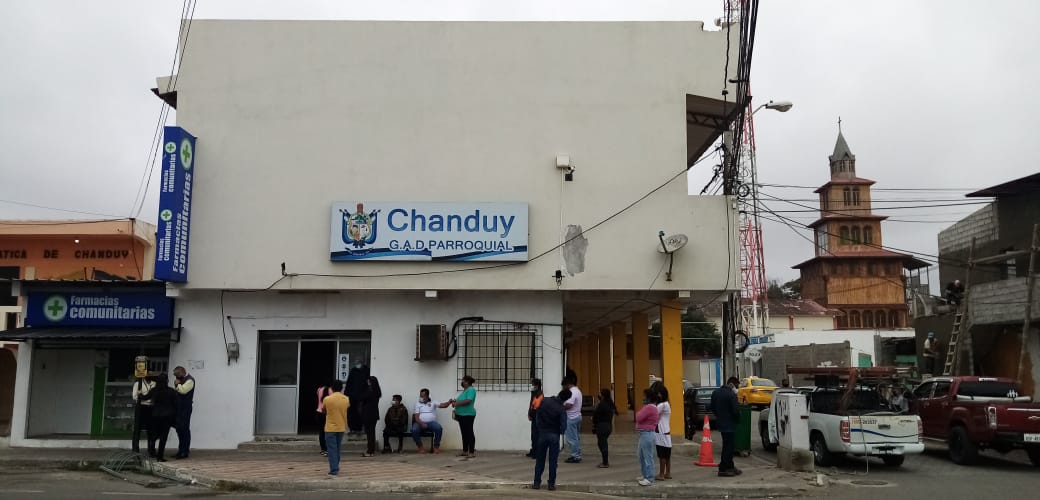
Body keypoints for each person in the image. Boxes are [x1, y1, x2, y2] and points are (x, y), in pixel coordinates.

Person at [532, 388, 570, 491]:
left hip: (543, 433)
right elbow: (564, 426)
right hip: (554, 434)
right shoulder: (561, 409)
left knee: (540, 459)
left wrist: (539, 427)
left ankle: (536, 482)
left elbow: (538, 414)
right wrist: (560, 431)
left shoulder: (545, 400)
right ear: (566, 399)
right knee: (553, 461)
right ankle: (551, 484)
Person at [710, 377, 741, 477]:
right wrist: (738, 419)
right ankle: (724, 468)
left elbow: (712, 407)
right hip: (730, 424)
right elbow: (735, 411)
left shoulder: (716, 393)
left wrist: (719, 416)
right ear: (732, 384)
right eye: (736, 386)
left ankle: (730, 466)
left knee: (726, 445)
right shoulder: (732, 395)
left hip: (721, 423)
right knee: (728, 447)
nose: (737, 388)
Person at [323, 379, 350, 477]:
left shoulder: (327, 399)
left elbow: (324, 410)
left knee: (331, 449)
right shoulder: (346, 399)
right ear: (342, 388)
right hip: (341, 427)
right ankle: (336, 466)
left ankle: (334, 469)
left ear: (332, 388)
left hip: (330, 427)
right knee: (337, 448)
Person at [148, 374, 178, 462]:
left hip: (156, 415)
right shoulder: (171, 391)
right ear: (166, 381)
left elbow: (145, 397)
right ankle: (160, 456)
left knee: (155, 433)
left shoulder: (154, 390)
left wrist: (140, 394)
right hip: (167, 416)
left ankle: (152, 447)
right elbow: (176, 403)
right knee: (163, 437)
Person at [412, 388, 452, 453]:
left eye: (422, 396)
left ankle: (436, 447)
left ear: (427, 396)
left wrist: (449, 402)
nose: (421, 398)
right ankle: (420, 447)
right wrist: (422, 423)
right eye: (420, 396)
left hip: (431, 423)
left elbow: (443, 405)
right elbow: (416, 417)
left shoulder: (433, 402)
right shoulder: (417, 404)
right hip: (420, 423)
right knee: (414, 430)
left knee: (439, 428)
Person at [635, 388, 660, 486]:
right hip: (645, 434)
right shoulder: (652, 407)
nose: (643, 398)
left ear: (649, 397)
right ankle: (645, 475)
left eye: (644, 396)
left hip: (647, 434)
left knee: (647, 457)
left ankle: (649, 478)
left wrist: (639, 413)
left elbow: (638, 417)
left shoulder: (649, 407)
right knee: (641, 456)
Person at [172, 366, 195, 459]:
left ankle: (184, 451)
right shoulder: (181, 380)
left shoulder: (190, 380)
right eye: (175, 375)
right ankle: (180, 450)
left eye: (177, 374)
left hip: (186, 408)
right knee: (179, 429)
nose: (176, 377)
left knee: (184, 429)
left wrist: (177, 385)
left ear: (183, 372)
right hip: (179, 408)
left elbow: (183, 391)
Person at [453, 375, 478, 458]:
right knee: (464, 433)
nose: (462, 382)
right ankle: (465, 451)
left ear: (467, 382)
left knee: (469, 432)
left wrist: (456, 403)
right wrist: (455, 402)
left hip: (468, 414)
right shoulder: (465, 390)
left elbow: (468, 401)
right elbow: (462, 400)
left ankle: (471, 452)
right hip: (461, 414)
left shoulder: (471, 390)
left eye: (463, 381)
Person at [131, 374, 156, 456]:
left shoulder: (154, 384)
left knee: (151, 429)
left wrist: (143, 396)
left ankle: (151, 449)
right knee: (137, 428)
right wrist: (145, 398)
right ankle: (135, 449)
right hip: (141, 407)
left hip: (151, 408)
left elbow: (155, 396)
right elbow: (135, 396)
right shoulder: (138, 384)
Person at [592, 388, 617, 468]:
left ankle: (605, 463)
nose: (598, 394)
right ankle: (605, 461)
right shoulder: (610, 403)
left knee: (602, 444)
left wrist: (594, 422)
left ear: (602, 395)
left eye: (600, 393)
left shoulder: (602, 404)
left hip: (602, 426)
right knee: (602, 443)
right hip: (608, 426)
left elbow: (596, 415)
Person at [562, 376, 583, 463]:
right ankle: (577, 454)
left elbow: (569, 405)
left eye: (564, 385)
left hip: (571, 418)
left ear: (567, 384)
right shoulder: (577, 391)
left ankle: (575, 456)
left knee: (572, 439)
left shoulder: (572, 392)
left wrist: (560, 407)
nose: (563, 388)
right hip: (577, 416)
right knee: (576, 437)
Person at [360, 376, 382, 457]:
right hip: (374, 414)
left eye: (369, 381)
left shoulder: (369, 392)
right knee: (372, 432)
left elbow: (362, 397)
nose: (367, 382)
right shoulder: (377, 392)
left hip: (368, 414)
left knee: (369, 433)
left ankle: (370, 451)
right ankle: (371, 450)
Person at [345, 359, 369, 435]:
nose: (357, 364)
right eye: (356, 362)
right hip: (352, 396)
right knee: (351, 413)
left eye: (358, 362)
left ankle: (361, 429)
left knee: (361, 413)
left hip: (362, 397)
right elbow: (349, 383)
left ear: (362, 363)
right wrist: (346, 394)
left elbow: (367, 384)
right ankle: (352, 429)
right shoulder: (353, 371)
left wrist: (365, 394)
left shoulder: (366, 371)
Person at [654, 385, 673, 480]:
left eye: (658, 393)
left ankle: (661, 474)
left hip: (661, 432)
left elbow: (653, 412)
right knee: (667, 455)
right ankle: (668, 473)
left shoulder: (662, 405)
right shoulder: (667, 404)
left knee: (662, 455)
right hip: (666, 431)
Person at [316, 380, 335, 457]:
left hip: (319, 412)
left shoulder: (319, 389)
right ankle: (328, 449)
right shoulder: (331, 390)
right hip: (327, 413)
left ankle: (323, 449)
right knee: (328, 431)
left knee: (321, 432)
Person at [526, 378, 544, 459]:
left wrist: (531, 413)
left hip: (537, 417)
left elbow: (536, 406)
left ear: (537, 385)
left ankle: (537, 453)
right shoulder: (534, 393)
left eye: (532, 384)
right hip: (534, 416)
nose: (531, 386)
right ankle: (533, 450)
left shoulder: (539, 394)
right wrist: (529, 413)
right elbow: (531, 404)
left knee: (536, 435)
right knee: (533, 435)